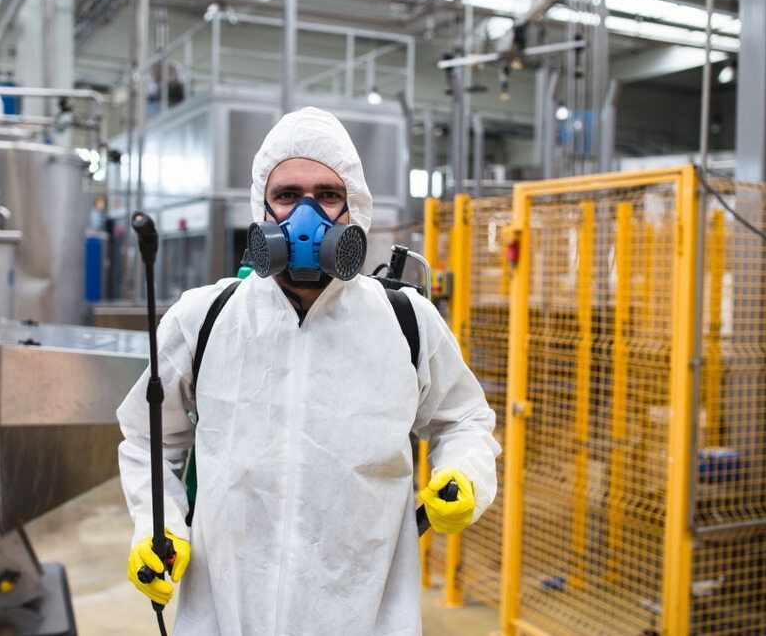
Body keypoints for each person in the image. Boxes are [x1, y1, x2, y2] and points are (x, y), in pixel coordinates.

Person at [117, 106, 500, 634]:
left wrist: (465, 474)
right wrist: (155, 525)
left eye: (327, 195)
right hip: (225, 615)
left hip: (365, 615)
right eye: (287, 196)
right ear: (262, 208)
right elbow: (147, 437)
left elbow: (464, 419)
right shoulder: (205, 318)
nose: (306, 215)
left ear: (354, 208)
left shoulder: (406, 321)